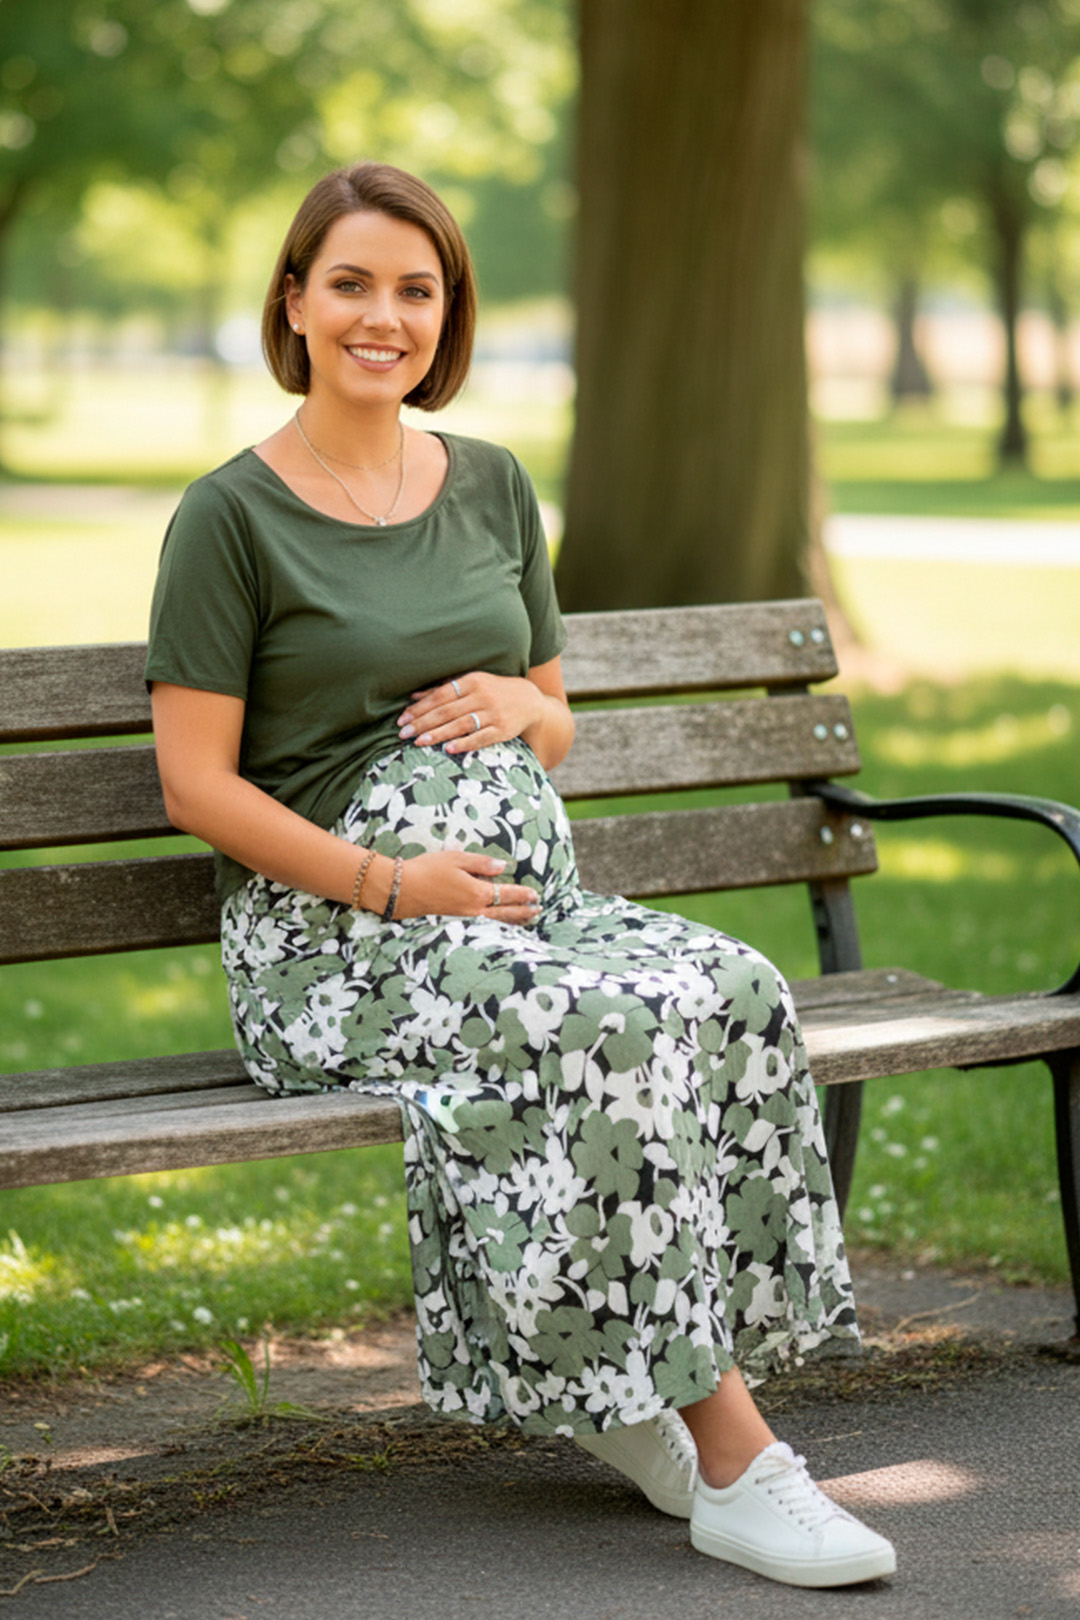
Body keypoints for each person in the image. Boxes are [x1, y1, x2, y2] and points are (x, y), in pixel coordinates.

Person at [146, 161, 895, 1589]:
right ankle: (740, 1461)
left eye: (416, 290)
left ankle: (643, 1381)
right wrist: (387, 883)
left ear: (450, 313)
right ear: (294, 303)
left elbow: (555, 718)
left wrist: (509, 696)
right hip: (334, 946)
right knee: (598, 1029)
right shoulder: (228, 520)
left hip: (515, 911)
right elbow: (196, 786)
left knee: (729, 987)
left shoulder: (488, 482)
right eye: (351, 283)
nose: (384, 316)